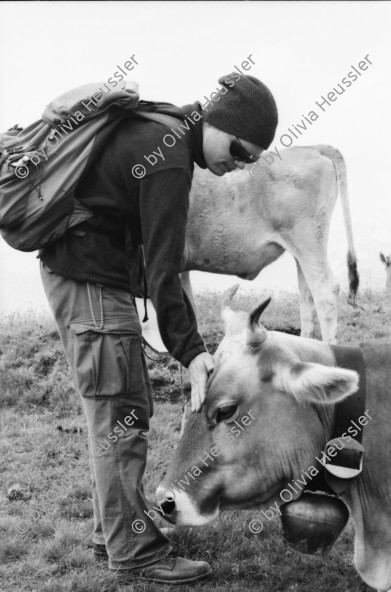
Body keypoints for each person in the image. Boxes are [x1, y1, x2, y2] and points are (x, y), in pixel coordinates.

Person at [39, 73, 278, 586]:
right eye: (240, 149)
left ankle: (115, 532)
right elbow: (164, 269)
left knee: (116, 411)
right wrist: (191, 351)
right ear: (218, 122)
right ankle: (134, 553)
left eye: (252, 160)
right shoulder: (169, 158)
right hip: (91, 285)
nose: (239, 164)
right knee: (121, 414)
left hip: (83, 278)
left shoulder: (161, 126)